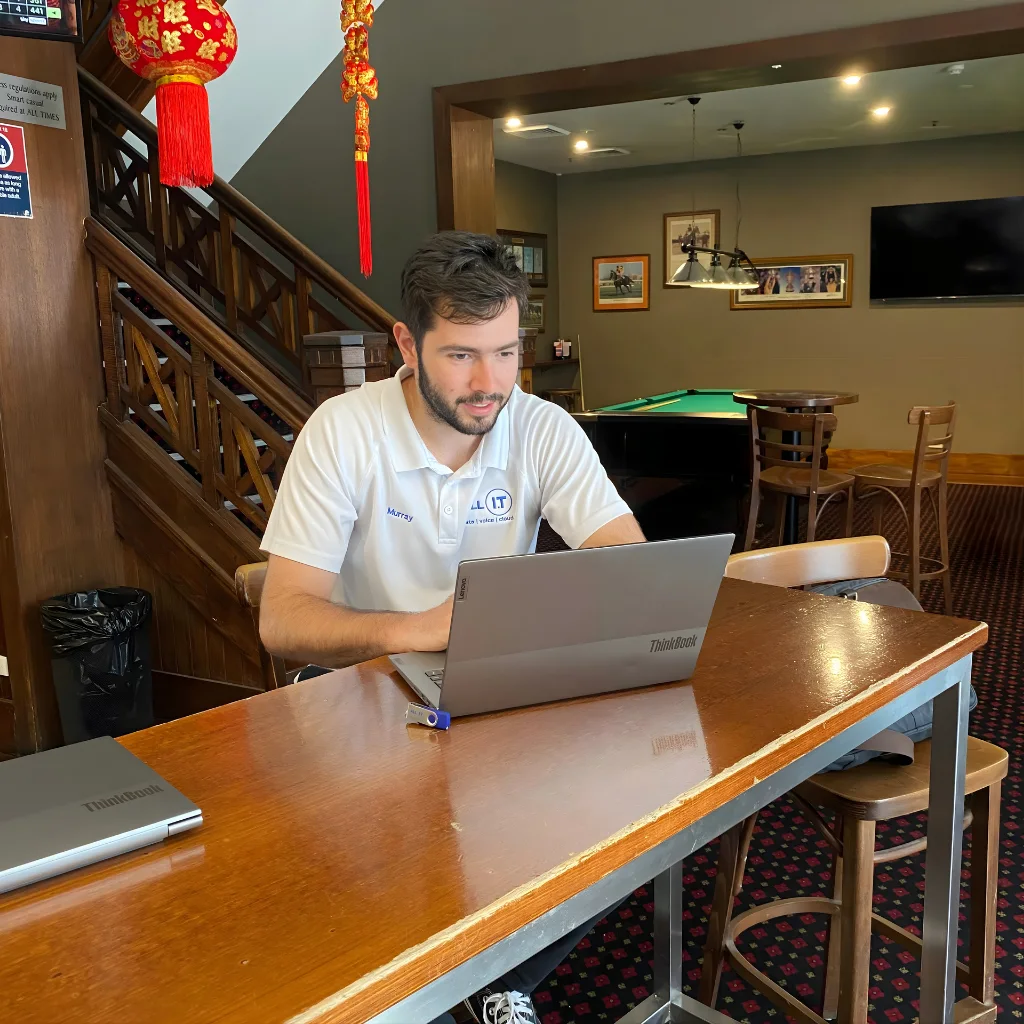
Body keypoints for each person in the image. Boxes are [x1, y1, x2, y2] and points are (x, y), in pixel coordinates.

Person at [259, 231, 645, 1024]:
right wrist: (419, 628)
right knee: (418, 843)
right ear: (407, 342)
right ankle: (480, 975)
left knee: (639, 806)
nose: (489, 384)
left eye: (506, 353)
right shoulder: (343, 431)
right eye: (462, 356)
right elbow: (283, 619)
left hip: (498, 690)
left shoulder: (538, 426)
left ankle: (498, 974)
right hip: (362, 699)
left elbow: (627, 565)